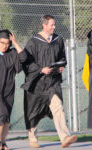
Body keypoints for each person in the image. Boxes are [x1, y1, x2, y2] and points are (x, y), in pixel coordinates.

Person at [21, 15, 77, 148]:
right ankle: (33, 138)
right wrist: (40, 70)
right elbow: (26, 62)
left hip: (52, 81)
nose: (54, 27)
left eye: (54, 25)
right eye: (52, 25)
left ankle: (64, 137)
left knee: (58, 108)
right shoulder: (33, 42)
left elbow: (62, 57)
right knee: (33, 112)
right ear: (44, 26)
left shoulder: (58, 40)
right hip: (37, 84)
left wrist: (62, 66)